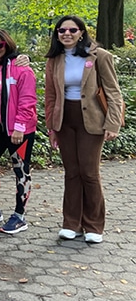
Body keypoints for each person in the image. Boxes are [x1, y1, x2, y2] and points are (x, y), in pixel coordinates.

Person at [45, 15, 123, 243]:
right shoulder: (55, 60)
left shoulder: (99, 56)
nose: (66, 34)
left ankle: (94, 225)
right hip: (65, 120)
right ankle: (71, 223)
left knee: (89, 172)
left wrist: (112, 123)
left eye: (72, 30)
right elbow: (50, 96)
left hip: (91, 120)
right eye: (61, 31)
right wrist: (51, 127)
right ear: (57, 34)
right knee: (72, 172)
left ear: (81, 32)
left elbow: (113, 92)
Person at [0, 29, 37, 234]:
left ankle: (20, 216)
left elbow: (28, 100)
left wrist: (19, 127)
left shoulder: (21, 69)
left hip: (19, 131)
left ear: (7, 44)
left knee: (20, 170)